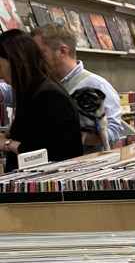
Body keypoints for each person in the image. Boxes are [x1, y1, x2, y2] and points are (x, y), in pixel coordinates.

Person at [32, 23, 124, 151]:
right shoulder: (41, 85)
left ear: (63, 51)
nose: (35, 59)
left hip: (86, 161)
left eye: (41, 53)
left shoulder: (98, 85)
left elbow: (113, 132)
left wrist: (78, 136)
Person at [0, 30, 83, 172]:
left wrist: (8, 144)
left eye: (0, 67)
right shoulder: (33, 92)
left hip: (49, 182)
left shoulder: (49, 95)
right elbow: (38, 138)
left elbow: (58, 154)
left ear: (18, 62)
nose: (0, 75)